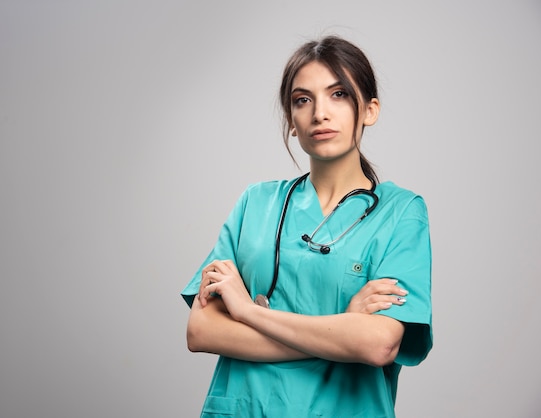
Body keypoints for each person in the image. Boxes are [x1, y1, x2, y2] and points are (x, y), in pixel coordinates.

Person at [181, 35, 432, 418]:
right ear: (292, 122)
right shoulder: (256, 203)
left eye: (339, 95)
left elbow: (378, 345)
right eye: (303, 100)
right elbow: (201, 331)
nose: (319, 113)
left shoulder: (401, 213)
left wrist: (248, 313)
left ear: (369, 110)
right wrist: (343, 329)